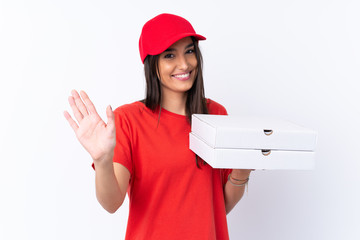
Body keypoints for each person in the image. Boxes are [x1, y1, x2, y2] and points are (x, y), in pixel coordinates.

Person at [64, 13, 252, 240]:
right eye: (169, 55)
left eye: (190, 51)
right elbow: (112, 203)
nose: (184, 64)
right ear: (152, 65)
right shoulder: (128, 120)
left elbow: (218, 207)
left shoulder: (217, 115)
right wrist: (102, 160)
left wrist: (242, 170)